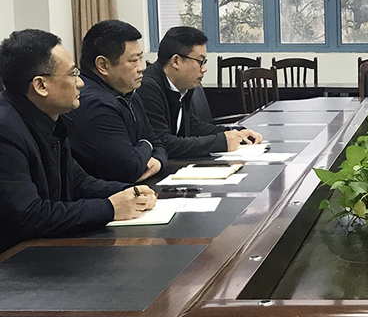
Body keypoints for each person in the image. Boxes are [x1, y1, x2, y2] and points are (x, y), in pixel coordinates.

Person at [0, 29, 156, 253]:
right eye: (72, 74)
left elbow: (78, 182)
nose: (80, 82)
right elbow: (28, 216)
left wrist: (132, 192)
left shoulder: (51, 119)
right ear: (41, 86)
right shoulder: (6, 130)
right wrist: (110, 208)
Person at [63, 20, 167, 183]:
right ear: (103, 65)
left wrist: (158, 162)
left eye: (141, 59)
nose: (141, 67)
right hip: (103, 194)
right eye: (134, 61)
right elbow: (130, 169)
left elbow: (158, 144)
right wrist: (146, 144)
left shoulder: (129, 94)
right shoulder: (94, 104)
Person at [137, 26, 262, 159]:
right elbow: (163, 144)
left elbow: (192, 127)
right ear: (176, 61)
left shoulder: (183, 86)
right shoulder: (147, 88)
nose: (204, 69)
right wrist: (221, 142)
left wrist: (235, 133)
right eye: (200, 62)